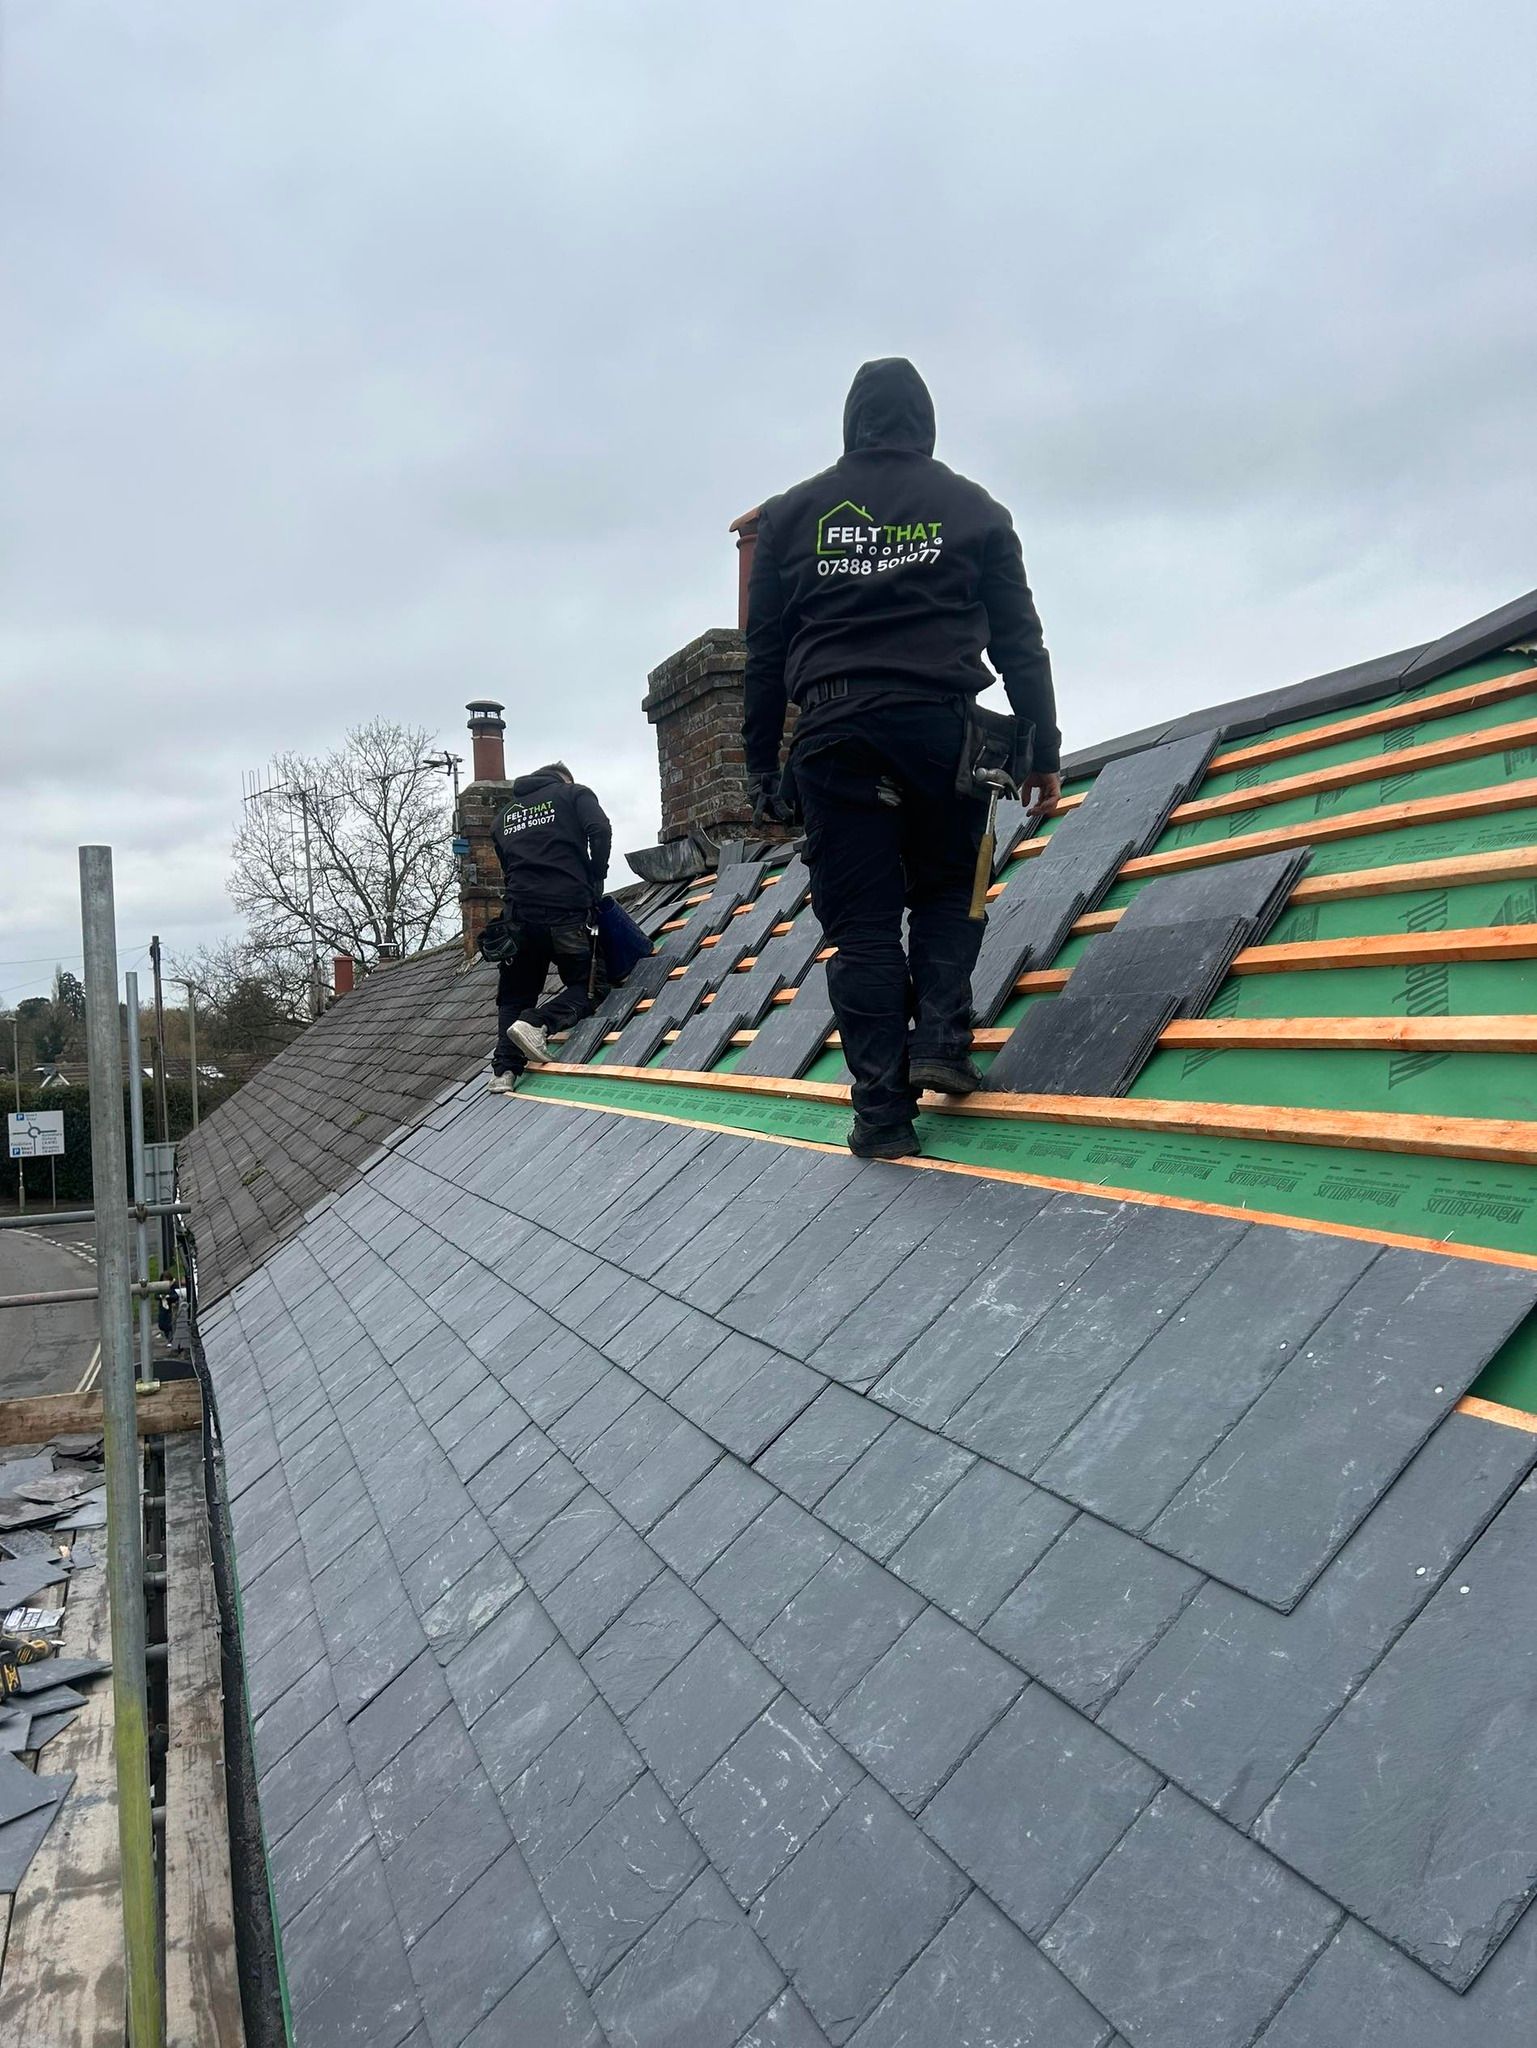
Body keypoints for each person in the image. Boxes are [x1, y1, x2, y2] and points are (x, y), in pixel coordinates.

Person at [743, 357, 1061, 1159]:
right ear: (924, 424)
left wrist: (760, 767)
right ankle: (940, 1043)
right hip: (939, 728)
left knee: (864, 929)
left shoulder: (792, 515)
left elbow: (764, 654)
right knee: (952, 886)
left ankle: (882, 1117)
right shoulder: (974, 510)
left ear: (852, 423)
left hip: (834, 731)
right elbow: (1020, 642)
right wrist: (1041, 749)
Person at [487, 760, 612, 1092]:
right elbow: (599, 830)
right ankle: (537, 1022)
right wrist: (595, 875)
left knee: (515, 993)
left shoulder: (503, 817)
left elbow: (508, 867)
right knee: (587, 988)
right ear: (564, 778)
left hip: (518, 918)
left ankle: (504, 1072)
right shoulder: (574, 793)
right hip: (565, 911)